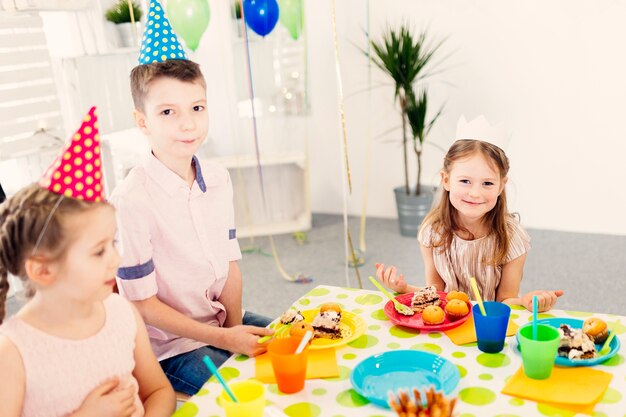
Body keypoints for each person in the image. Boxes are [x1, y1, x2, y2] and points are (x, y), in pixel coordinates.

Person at [110, 1, 272, 396]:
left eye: (197, 107)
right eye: (168, 111)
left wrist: (232, 330)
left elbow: (230, 264)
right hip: (170, 347)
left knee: (301, 341)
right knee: (257, 393)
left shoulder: (217, 179)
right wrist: (226, 342)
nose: (187, 123)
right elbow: (143, 305)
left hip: (218, 323)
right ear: (143, 121)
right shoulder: (131, 200)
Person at [0, 107, 175, 417]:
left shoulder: (122, 313)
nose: (116, 259)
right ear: (42, 269)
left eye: (113, 243)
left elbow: (160, 391)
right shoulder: (13, 351)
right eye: (98, 251)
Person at [376, 139, 563, 312]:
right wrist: (404, 289)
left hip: (489, 322)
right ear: (446, 180)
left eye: (487, 183)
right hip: (450, 318)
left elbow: (506, 300)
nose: (475, 193)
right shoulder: (432, 232)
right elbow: (436, 293)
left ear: (501, 186)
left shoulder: (512, 237)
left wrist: (525, 301)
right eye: (465, 181)